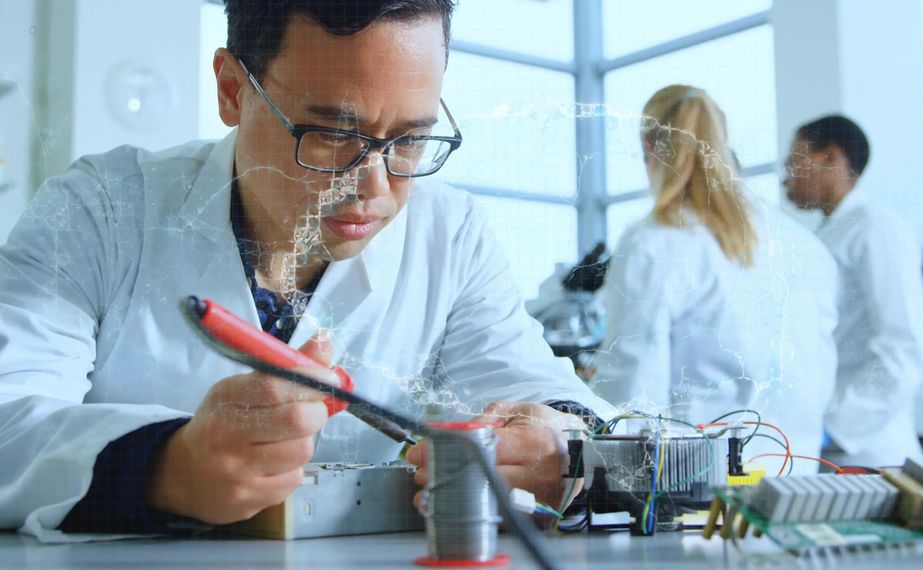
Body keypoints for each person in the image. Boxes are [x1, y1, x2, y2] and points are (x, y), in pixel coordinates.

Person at [0, 0, 616, 541]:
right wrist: (168, 468)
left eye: (408, 140)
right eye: (330, 134)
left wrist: (563, 449)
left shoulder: (447, 234)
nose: (372, 186)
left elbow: (561, 404)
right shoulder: (101, 211)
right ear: (232, 90)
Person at [590, 85, 839, 475]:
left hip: (701, 492)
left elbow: (631, 396)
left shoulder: (656, 240)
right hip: (798, 482)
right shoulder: (803, 245)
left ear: (650, 149)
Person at [783, 114, 923, 467]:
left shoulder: (877, 231)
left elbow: (904, 349)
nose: (785, 175)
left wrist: (835, 426)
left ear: (831, 157)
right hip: (831, 448)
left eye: (795, 160)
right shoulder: (829, 235)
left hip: (872, 450)